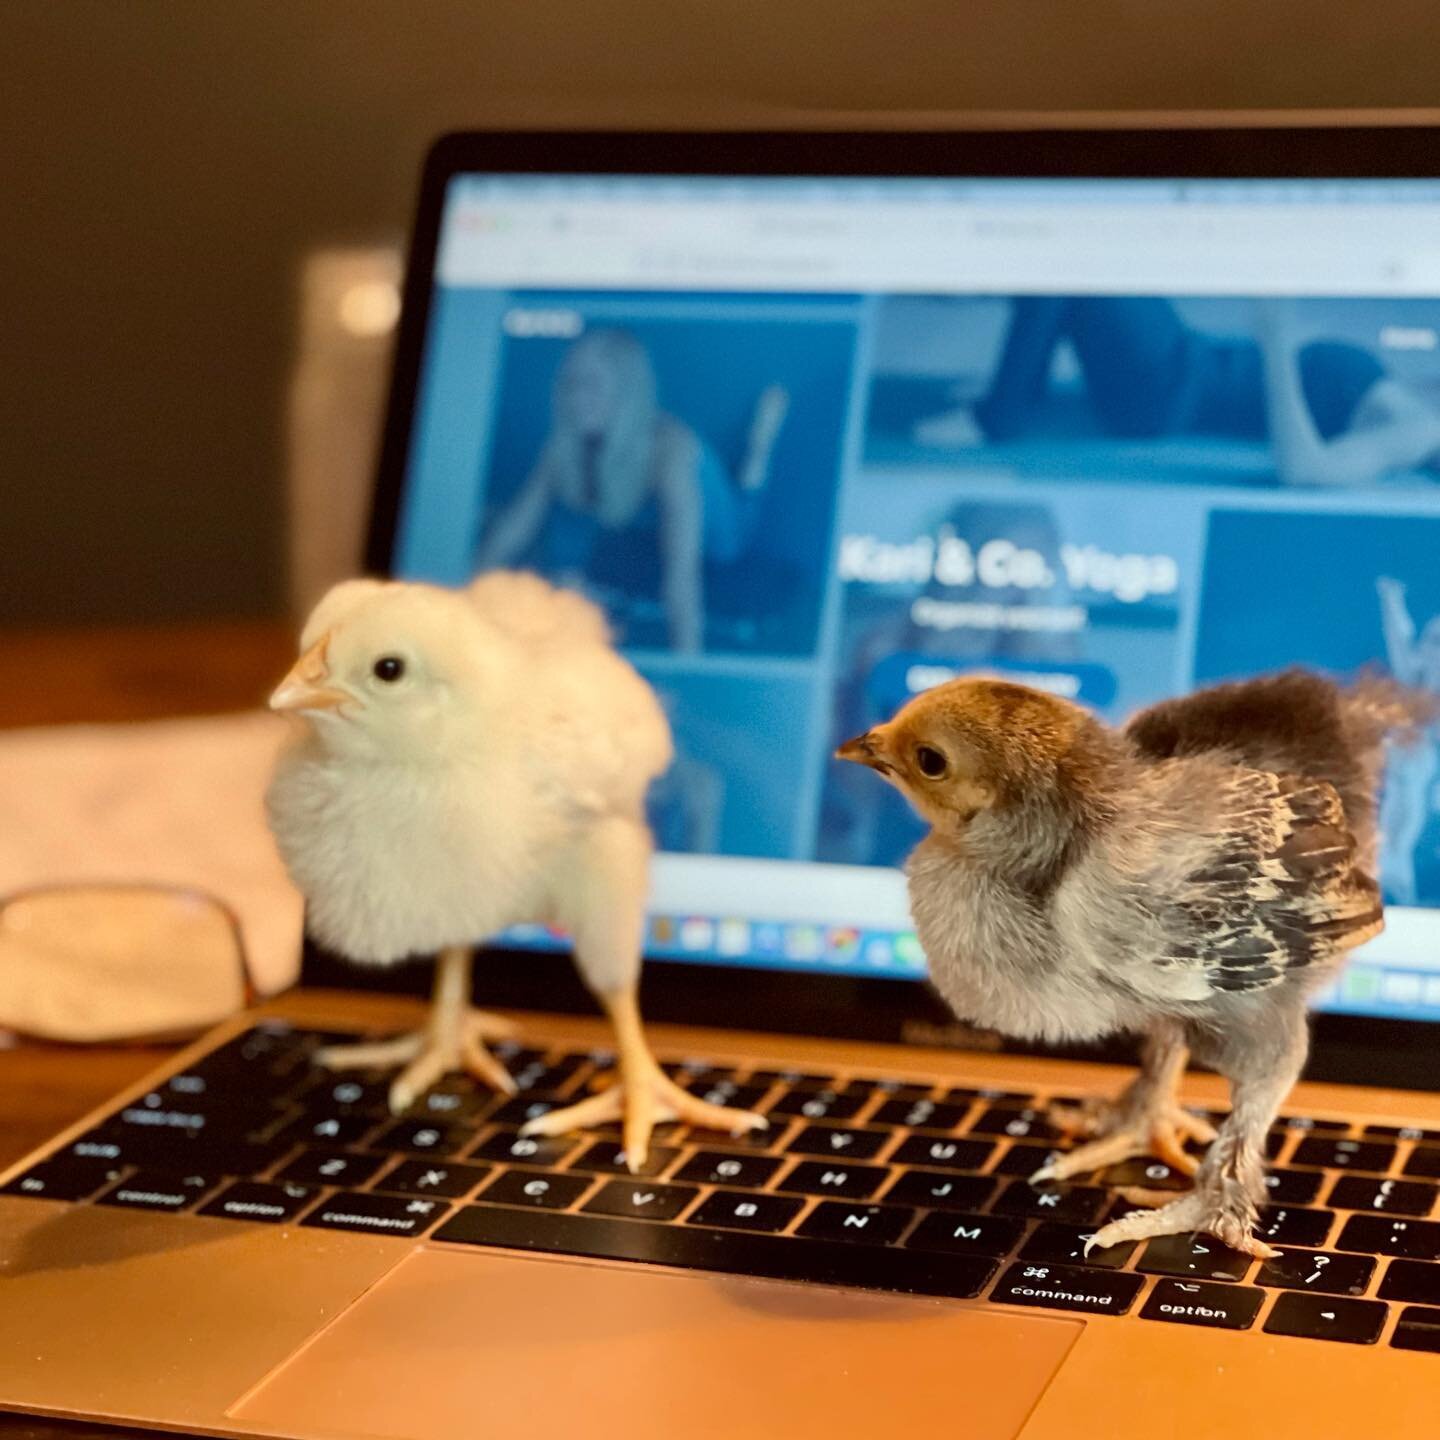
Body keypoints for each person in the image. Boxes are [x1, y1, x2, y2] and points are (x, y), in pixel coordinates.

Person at [476, 328, 788, 652]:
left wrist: (689, 669)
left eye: (592, 386)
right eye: (571, 384)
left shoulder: (672, 452)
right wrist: (459, 604)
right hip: (641, 515)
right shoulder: (562, 449)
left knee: (731, 545)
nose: (578, 399)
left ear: (624, 391)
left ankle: (758, 449)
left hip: (700, 503)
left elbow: (682, 575)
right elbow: (511, 532)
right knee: (574, 559)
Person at [965, 296, 1440, 488]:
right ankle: (1012, 401)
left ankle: (996, 419)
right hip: (1184, 361)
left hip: (1168, 389)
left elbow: (1306, 469)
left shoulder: (1423, 430)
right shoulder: (1424, 405)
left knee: (1073, 261)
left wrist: (1276, 344)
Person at [1376, 576, 1440, 904]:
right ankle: (1395, 880)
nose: (1428, 649)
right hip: (1410, 770)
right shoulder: (1414, 678)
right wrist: (1391, 601)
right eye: (1429, 641)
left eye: (1437, 642)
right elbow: (1400, 640)